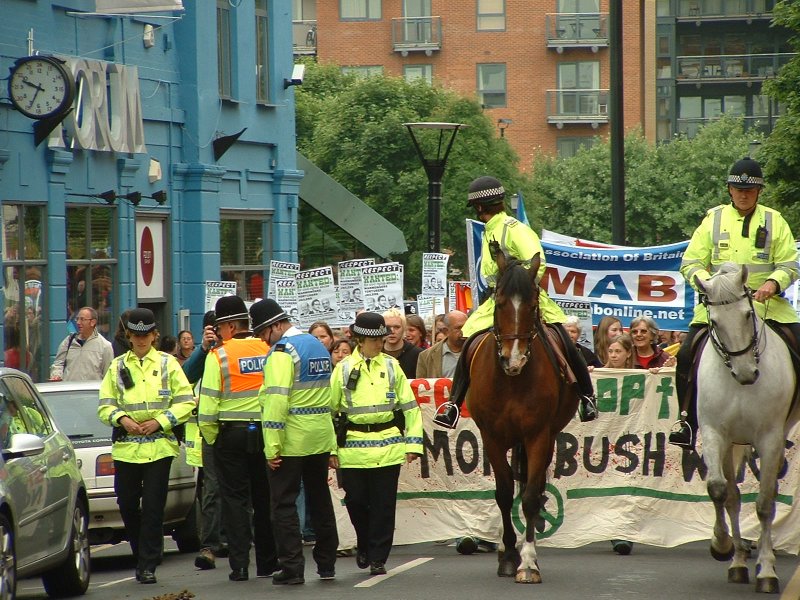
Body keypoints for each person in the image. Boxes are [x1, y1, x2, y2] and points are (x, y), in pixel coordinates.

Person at [433, 176, 597, 428]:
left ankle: (586, 396)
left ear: (479, 208)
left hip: (523, 297)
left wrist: (516, 285)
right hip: (496, 301)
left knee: (563, 340)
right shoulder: (490, 231)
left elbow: (537, 260)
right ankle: (453, 404)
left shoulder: (514, 228)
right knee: (471, 345)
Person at [670, 157, 800, 448]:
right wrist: (708, 284)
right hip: (718, 308)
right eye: (737, 188)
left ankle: (789, 421)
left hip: (769, 308)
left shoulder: (774, 220)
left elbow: (790, 264)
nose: (743, 194)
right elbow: (691, 262)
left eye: (749, 190)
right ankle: (686, 422)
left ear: (759, 192)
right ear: (729, 189)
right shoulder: (712, 220)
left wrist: (772, 283)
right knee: (686, 353)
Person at [97, 308, 195, 585]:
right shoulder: (117, 366)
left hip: (159, 447)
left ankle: (146, 564)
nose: (141, 340)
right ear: (128, 335)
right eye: (135, 335)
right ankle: (143, 552)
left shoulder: (167, 363)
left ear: (154, 335)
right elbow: (105, 405)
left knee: (153, 506)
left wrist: (161, 422)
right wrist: (122, 418)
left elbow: (186, 400)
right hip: (127, 448)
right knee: (127, 504)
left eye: (146, 335)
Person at [251, 299, 339, 584]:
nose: (263, 340)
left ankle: (292, 568)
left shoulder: (281, 352)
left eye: (264, 332)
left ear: (277, 325)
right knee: (320, 499)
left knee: (283, 504)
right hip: (320, 435)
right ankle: (327, 564)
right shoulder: (317, 346)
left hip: (291, 439)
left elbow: (276, 402)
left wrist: (271, 447)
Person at [330, 312, 423, 576]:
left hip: (388, 447)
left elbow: (410, 408)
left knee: (383, 506)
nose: (380, 343)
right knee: (357, 502)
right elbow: (330, 411)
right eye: (374, 339)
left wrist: (413, 444)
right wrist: (331, 449)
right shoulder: (343, 368)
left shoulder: (392, 367)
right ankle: (364, 541)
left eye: (381, 338)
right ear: (360, 339)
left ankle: (378, 557)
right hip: (353, 449)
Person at [198, 296, 278, 582]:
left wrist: (213, 438)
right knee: (264, 498)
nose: (218, 333)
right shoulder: (268, 349)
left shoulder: (218, 356)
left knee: (234, 501)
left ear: (230, 325)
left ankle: (240, 565)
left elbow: (207, 407)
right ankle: (269, 563)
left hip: (230, 436)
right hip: (265, 433)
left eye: (220, 327)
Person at [182, 311, 229, 571]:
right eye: (211, 329)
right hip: (209, 431)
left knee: (238, 488)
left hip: (236, 427)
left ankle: (235, 537)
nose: (216, 333)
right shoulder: (205, 354)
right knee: (211, 489)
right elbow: (186, 375)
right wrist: (203, 348)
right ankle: (209, 544)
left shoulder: (235, 351)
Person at [50, 306, 114, 381]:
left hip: (90, 392)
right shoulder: (69, 341)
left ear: (93, 322)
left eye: (82, 319)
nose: (78, 322)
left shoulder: (105, 346)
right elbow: (58, 363)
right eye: (77, 319)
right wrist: (56, 374)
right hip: (69, 390)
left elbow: (108, 376)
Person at [416, 310, 467, 380]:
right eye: (459, 328)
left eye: (467, 326)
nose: (464, 331)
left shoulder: (478, 350)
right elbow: (421, 387)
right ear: (446, 331)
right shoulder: (426, 356)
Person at [382, 308, 422, 379]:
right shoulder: (375, 353)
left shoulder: (418, 354)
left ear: (403, 328)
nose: (392, 331)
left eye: (396, 327)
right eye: (387, 327)